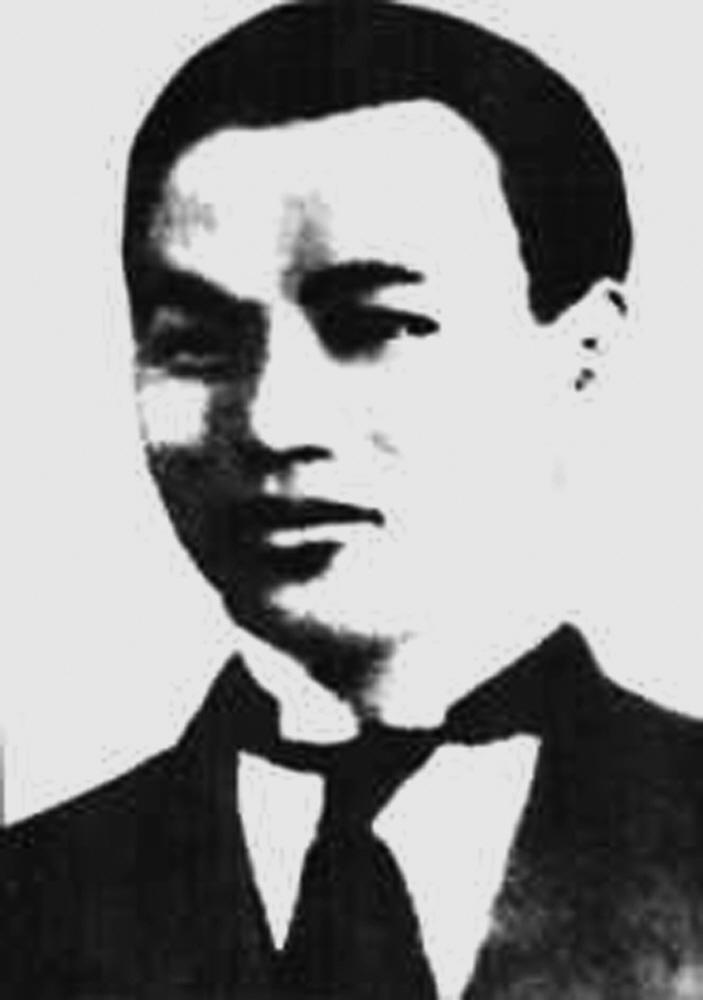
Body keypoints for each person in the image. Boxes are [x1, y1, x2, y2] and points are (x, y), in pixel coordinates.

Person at [4, 2, 703, 998]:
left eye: (376, 324)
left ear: (580, 351)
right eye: (196, 344)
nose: (272, 421)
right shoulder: (31, 894)